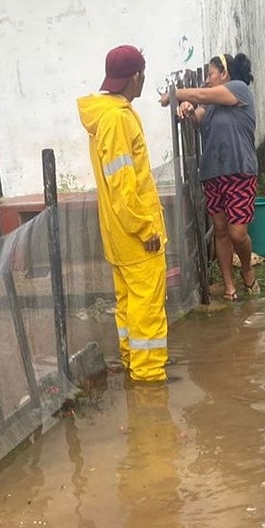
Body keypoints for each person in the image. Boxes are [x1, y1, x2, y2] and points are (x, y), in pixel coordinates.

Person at [77, 44, 170, 382]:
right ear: (135, 77)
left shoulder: (110, 115)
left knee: (130, 306)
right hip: (136, 237)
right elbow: (123, 186)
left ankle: (135, 366)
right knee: (146, 309)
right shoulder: (117, 119)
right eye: (143, 75)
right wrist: (145, 228)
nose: (143, 80)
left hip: (121, 236)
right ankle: (149, 381)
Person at [160, 53, 259, 302]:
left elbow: (201, 94)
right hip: (213, 174)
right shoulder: (210, 105)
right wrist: (187, 110)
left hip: (240, 171)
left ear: (224, 73)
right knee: (221, 231)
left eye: (211, 73)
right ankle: (229, 285)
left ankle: (246, 269)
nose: (207, 79)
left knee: (237, 234)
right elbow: (197, 118)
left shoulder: (239, 89)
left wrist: (176, 94)